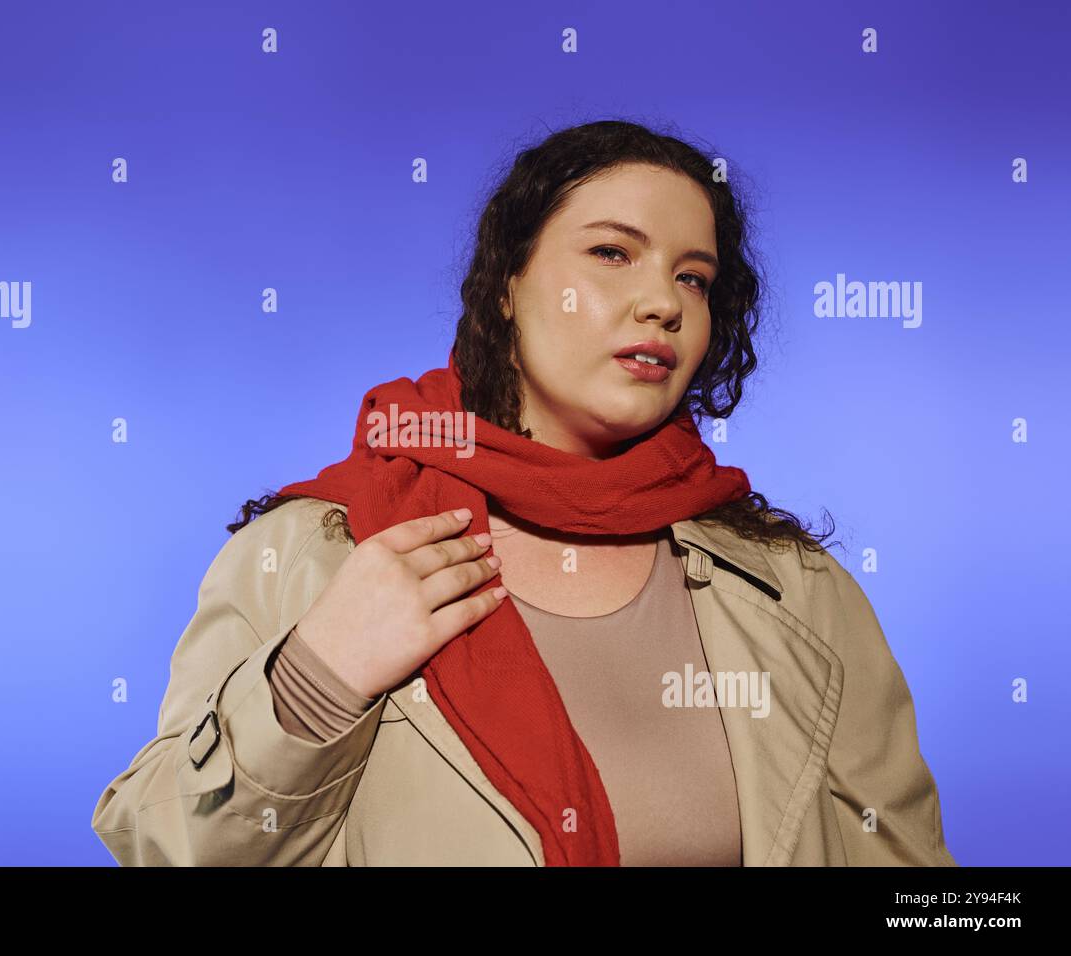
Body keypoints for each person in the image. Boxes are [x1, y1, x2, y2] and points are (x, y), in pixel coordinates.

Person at [91, 119, 956, 867]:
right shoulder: (317, 552)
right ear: (509, 285)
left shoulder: (794, 590)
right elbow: (165, 845)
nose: (662, 301)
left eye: (693, 277)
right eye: (613, 254)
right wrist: (316, 678)